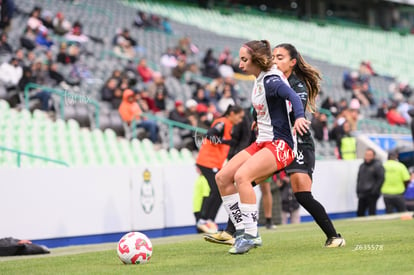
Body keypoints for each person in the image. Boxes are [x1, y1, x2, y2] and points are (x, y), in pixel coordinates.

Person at [214, 40, 309, 255]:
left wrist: (300, 118)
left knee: (242, 177)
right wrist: (257, 117)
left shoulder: (272, 80)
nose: (240, 64)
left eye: (244, 59)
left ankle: (251, 235)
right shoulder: (259, 79)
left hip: (280, 145)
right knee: (222, 178)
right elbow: (266, 104)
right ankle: (241, 231)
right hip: (262, 142)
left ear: (257, 60)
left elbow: (292, 96)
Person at [272, 43, 345, 247]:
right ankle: (232, 232)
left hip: (299, 144)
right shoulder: (271, 81)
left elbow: (297, 108)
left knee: (302, 196)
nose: (274, 61)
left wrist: (297, 117)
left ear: (292, 62)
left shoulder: (297, 86)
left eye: (280, 57)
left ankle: (334, 237)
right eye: (273, 57)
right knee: (245, 178)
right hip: (277, 143)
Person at [195, 104, 245, 234]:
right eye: (239, 117)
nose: (240, 120)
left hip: (214, 163)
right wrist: (226, 142)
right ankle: (203, 219)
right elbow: (210, 135)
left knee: (219, 191)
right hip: (207, 161)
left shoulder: (227, 125)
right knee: (216, 189)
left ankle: (209, 219)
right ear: (232, 114)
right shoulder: (222, 122)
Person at [356, 148, 385, 216]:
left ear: (373, 156)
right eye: (366, 155)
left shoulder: (377, 165)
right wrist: (358, 190)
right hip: (362, 193)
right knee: (360, 213)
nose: (367, 157)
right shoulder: (362, 166)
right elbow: (359, 179)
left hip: (372, 194)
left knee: (371, 213)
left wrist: (374, 191)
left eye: (369, 155)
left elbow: (381, 179)